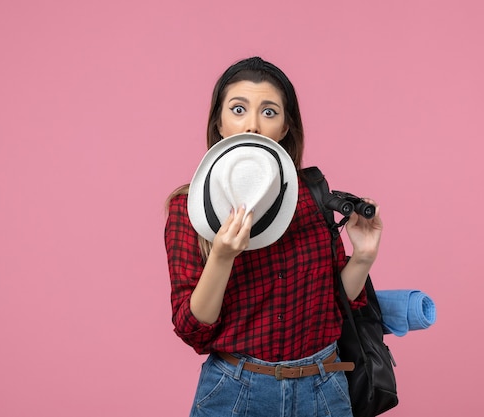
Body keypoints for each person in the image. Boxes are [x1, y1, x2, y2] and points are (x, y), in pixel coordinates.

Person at [164, 56, 383, 417]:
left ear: (284, 128)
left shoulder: (312, 197)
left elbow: (335, 304)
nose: (253, 124)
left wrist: (362, 257)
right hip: (235, 391)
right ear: (219, 123)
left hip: (323, 388)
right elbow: (194, 331)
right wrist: (221, 256)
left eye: (269, 112)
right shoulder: (190, 209)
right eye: (238, 109)